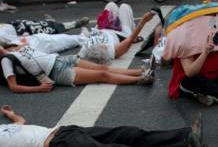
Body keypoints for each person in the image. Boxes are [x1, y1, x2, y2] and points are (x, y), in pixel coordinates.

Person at [0, 105, 207, 147]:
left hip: (64, 131)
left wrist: (11, 115)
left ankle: (185, 136)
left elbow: (20, 124)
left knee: (128, 134)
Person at [0, 42, 154, 93]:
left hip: (60, 59)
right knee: (102, 75)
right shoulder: (6, 61)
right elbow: (13, 87)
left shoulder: (12, 50)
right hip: (56, 72)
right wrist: (39, 88)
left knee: (103, 69)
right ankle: (140, 79)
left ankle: (140, 70)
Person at [168, 31, 218, 106]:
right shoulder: (185, 42)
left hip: (213, 76)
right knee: (194, 81)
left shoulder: (217, 35)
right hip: (191, 80)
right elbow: (190, 72)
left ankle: (213, 94)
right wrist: (205, 52)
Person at [78, 5, 156, 64]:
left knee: (111, 4)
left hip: (102, 28)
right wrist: (143, 21)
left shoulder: (84, 51)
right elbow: (129, 40)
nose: (104, 46)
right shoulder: (110, 51)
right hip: (120, 34)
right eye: (105, 47)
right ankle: (132, 30)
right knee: (124, 7)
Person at [1, 16, 89, 37]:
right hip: (17, 34)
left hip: (14, 26)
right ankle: (73, 24)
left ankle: (50, 22)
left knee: (34, 24)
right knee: (42, 30)